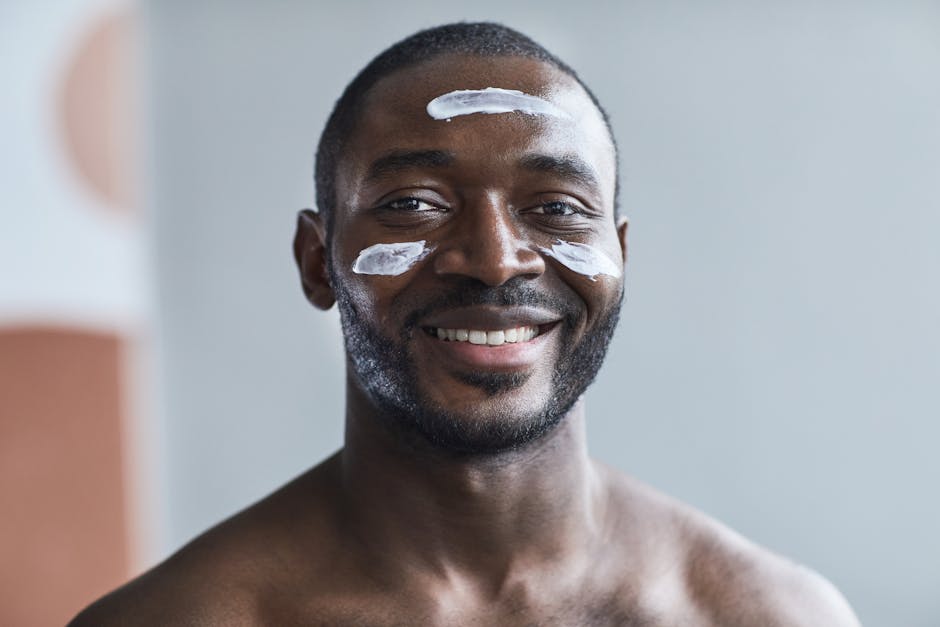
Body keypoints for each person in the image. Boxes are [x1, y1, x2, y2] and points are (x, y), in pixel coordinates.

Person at [71, 22, 860, 626]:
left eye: (555, 209)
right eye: (413, 204)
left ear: (617, 258)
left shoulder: (768, 615)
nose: (494, 261)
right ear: (318, 261)